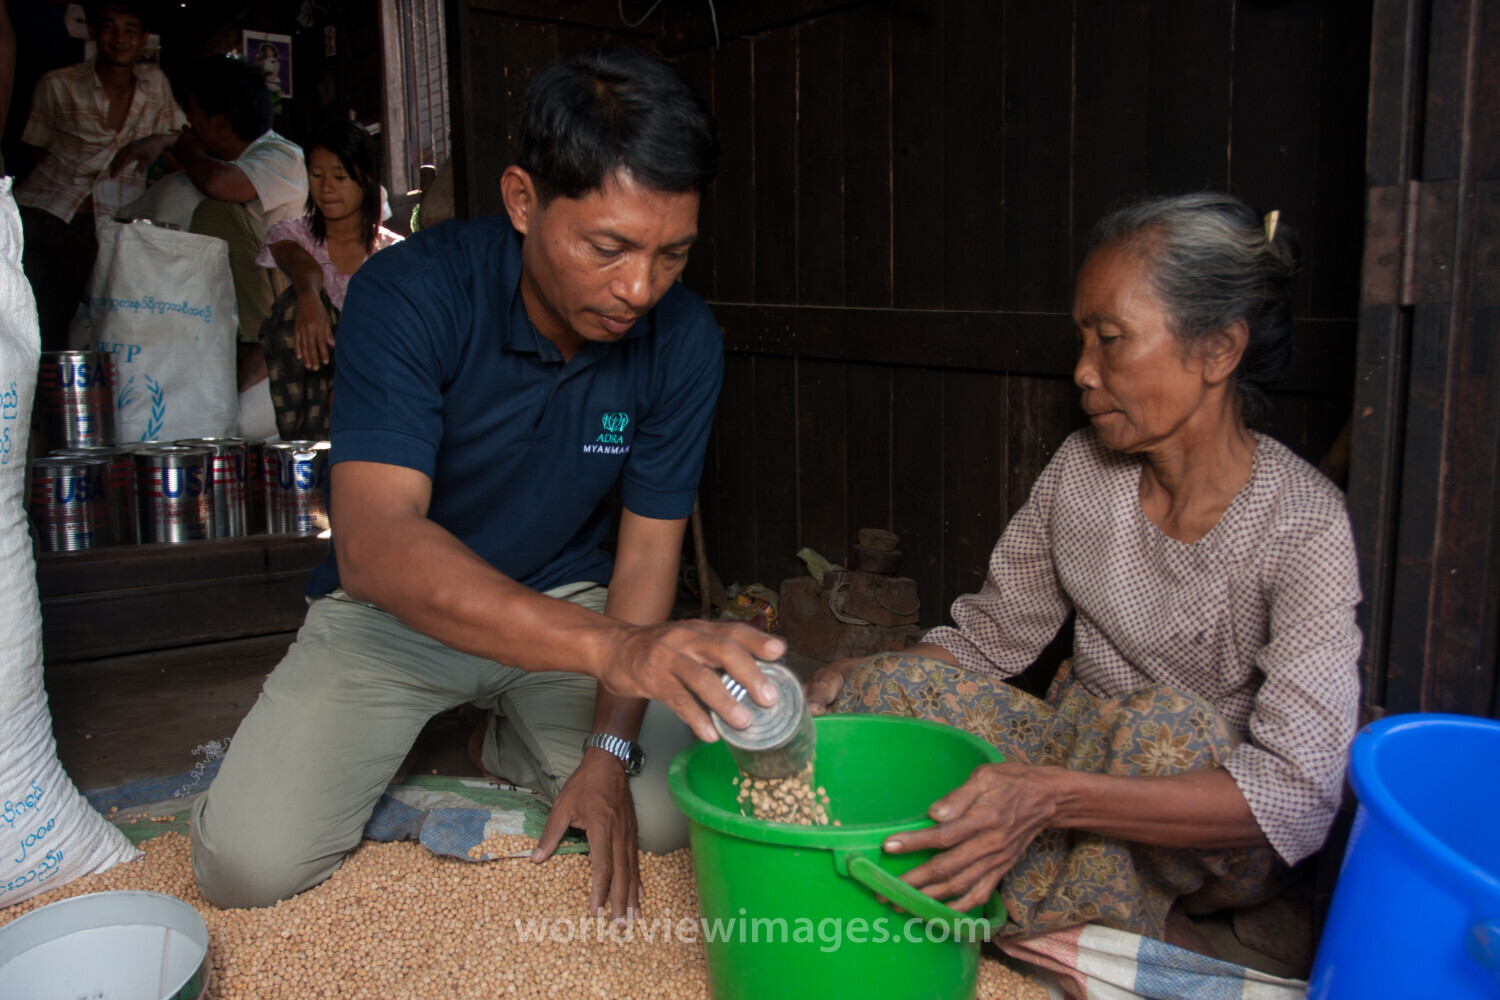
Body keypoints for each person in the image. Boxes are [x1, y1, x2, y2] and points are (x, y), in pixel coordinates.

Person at [190, 44, 783, 919]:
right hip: (395, 618)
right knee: (244, 868)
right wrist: (616, 652)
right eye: (609, 247)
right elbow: (376, 545)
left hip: (567, 601)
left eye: (673, 256)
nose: (639, 288)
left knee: (664, 820)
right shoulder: (411, 294)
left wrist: (610, 751)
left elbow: (648, 554)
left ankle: (498, 731)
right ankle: (457, 712)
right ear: (521, 199)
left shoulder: (684, 341)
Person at [806, 193, 1362, 945]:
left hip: (1204, 821)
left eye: (1110, 340)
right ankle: (1015, 892)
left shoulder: (1303, 522)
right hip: (1069, 753)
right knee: (885, 685)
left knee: (1162, 728)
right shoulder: (1082, 472)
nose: (1083, 372)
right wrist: (847, 685)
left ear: (1218, 350)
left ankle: (1006, 905)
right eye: (1081, 340)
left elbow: (1296, 792)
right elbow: (989, 636)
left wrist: (1051, 799)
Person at [116, 54, 307, 387]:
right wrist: (169, 143)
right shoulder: (237, 158)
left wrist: (185, 147)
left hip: (285, 304)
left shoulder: (282, 155)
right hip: (252, 302)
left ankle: (258, 349)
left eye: (192, 113)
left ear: (220, 122)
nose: (187, 123)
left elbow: (218, 183)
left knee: (217, 212)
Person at [14, 1, 185, 349]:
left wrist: (161, 140)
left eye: (130, 30)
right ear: (93, 31)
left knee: (101, 329)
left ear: (143, 40)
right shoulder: (57, 84)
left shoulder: (155, 85)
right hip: (49, 214)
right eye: (109, 27)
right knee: (35, 322)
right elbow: (37, 151)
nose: (119, 38)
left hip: (113, 225)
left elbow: (186, 138)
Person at [255, 120, 400, 440]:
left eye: (339, 176)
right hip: (308, 388)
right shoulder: (292, 234)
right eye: (317, 175)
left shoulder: (394, 253)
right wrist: (309, 300)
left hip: (370, 383)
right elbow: (299, 264)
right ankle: (309, 448)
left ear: (365, 177)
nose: (326, 188)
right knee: (293, 306)